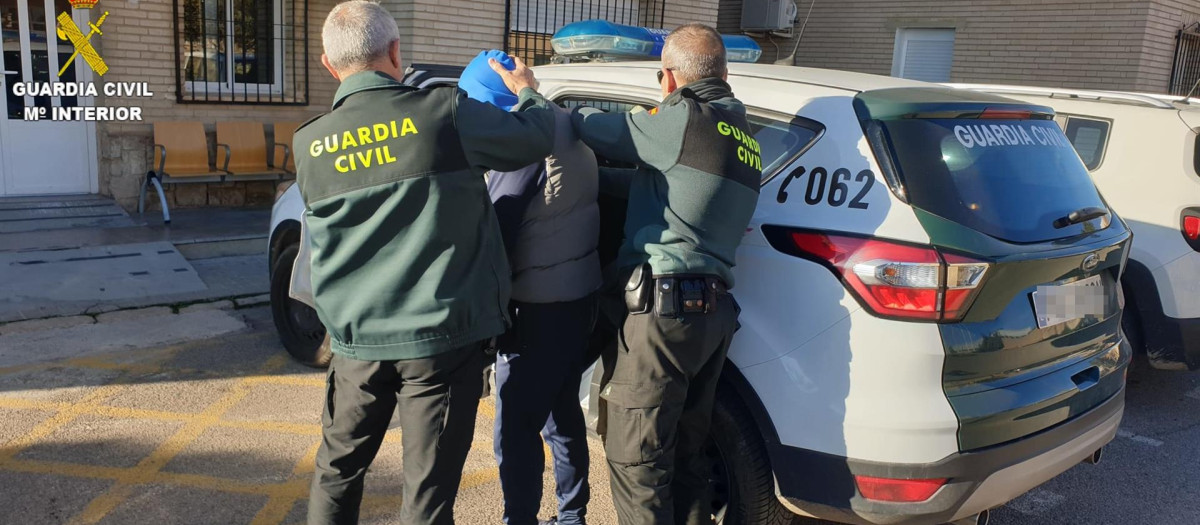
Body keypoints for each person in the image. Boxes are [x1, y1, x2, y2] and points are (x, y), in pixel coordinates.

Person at [296, 3, 553, 524]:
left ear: (328, 64)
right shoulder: (444, 113)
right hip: (438, 342)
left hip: (357, 343)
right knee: (428, 492)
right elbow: (535, 137)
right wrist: (527, 89)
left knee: (337, 472)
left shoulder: (308, 142)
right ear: (395, 52)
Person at [570, 23, 762, 524]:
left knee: (638, 461)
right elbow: (667, 188)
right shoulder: (745, 137)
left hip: (663, 315)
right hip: (711, 317)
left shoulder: (681, 121)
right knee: (684, 457)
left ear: (670, 79)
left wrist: (535, 98)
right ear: (724, 72)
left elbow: (594, 127)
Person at [458, 50, 602, 525]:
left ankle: (520, 519)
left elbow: (498, 230)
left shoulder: (521, 146)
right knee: (561, 415)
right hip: (575, 297)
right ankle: (572, 516)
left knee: (516, 429)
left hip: (534, 307)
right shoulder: (566, 124)